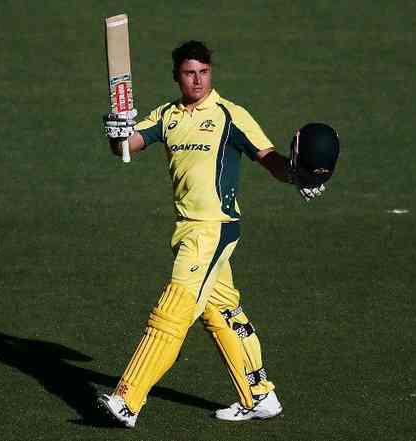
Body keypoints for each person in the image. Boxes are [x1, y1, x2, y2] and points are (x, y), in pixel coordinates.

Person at [98, 40, 326, 428]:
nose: (198, 80)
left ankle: (127, 400)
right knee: (221, 311)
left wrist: (297, 175)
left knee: (172, 311)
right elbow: (125, 148)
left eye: (204, 72)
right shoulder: (166, 116)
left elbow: (269, 158)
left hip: (213, 229)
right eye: (190, 73)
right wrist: (117, 129)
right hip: (188, 228)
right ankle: (259, 395)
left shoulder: (229, 115)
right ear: (177, 76)